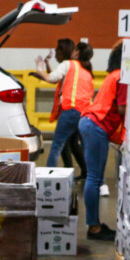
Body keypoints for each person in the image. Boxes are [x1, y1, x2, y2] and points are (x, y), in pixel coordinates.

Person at [77, 41, 127, 242]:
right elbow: (123, 110)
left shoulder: (113, 74)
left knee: (94, 178)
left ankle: (94, 223)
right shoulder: (123, 76)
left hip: (89, 122)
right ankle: (94, 228)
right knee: (95, 178)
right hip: (96, 126)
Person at [34, 39, 93, 174]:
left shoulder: (69, 64)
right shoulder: (86, 71)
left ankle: (48, 178)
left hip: (71, 110)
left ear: (77, 52)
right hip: (85, 114)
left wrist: (39, 68)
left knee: (57, 146)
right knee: (82, 146)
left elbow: (51, 78)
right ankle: (95, 178)